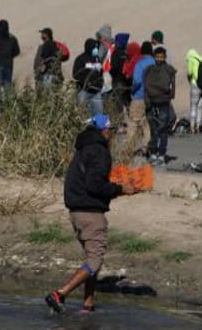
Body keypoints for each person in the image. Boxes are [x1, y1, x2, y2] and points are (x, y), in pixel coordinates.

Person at [45, 114, 137, 314]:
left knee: (92, 260)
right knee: (95, 261)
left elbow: (88, 181)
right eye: (111, 131)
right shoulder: (100, 151)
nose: (111, 136)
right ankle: (60, 294)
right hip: (90, 214)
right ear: (105, 132)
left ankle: (88, 304)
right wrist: (120, 189)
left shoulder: (83, 149)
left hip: (76, 212)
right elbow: (94, 185)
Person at [143, 45, 176, 164]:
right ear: (154, 57)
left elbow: (172, 86)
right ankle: (153, 153)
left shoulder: (169, 69)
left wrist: (169, 96)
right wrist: (147, 101)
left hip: (163, 102)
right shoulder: (149, 69)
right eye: (157, 57)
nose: (159, 59)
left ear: (165, 57)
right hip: (151, 102)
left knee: (162, 129)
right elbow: (145, 86)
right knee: (153, 129)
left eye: (161, 57)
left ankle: (161, 154)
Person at [126, 42, 155, 155]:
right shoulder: (155, 62)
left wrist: (132, 91)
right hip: (152, 97)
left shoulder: (140, 64)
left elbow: (137, 81)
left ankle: (129, 149)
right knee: (146, 123)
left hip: (139, 96)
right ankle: (146, 147)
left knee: (133, 123)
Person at [73, 38, 105, 116]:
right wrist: (86, 82)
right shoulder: (80, 59)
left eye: (97, 48)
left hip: (96, 92)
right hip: (84, 92)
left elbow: (100, 72)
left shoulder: (97, 59)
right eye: (94, 48)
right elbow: (75, 74)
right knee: (82, 114)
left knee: (99, 115)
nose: (96, 50)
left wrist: (100, 83)